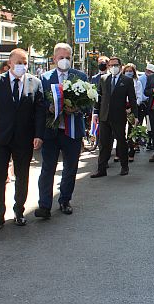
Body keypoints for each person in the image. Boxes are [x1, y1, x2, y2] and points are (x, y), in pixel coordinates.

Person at [0, 48, 46, 231]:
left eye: (25, 63)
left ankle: (19, 211)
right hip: (1, 139)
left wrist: (38, 135)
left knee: (22, 176)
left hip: (24, 139)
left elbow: (39, 113)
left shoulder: (35, 83)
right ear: (9, 63)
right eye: (19, 62)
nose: (22, 66)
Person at [35, 43, 89, 218]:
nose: (64, 61)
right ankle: (44, 205)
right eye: (61, 57)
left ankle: (65, 200)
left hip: (72, 131)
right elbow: (38, 103)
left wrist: (78, 108)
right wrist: (49, 108)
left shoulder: (80, 77)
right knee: (47, 169)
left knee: (70, 168)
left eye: (67, 57)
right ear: (54, 59)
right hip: (51, 132)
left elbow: (89, 103)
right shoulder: (44, 78)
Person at [91, 56, 138, 178]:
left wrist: (135, 115)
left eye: (115, 65)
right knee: (103, 143)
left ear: (120, 66)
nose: (113, 67)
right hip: (104, 116)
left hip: (119, 116)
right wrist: (95, 113)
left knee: (121, 142)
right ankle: (101, 169)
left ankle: (124, 166)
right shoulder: (103, 78)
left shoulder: (127, 81)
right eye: (111, 65)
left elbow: (132, 99)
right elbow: (99, 97)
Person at [122, 63, 144, 162]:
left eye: (130, 71)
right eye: (127, 71)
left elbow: (139, 97)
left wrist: (131, 107)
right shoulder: (120, 81)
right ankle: (120, 153)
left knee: (132, 132)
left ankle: (131, 152)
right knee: (120, 131)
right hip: (121, 109)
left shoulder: (137, 82)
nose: (128, 73)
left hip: (133, 109)